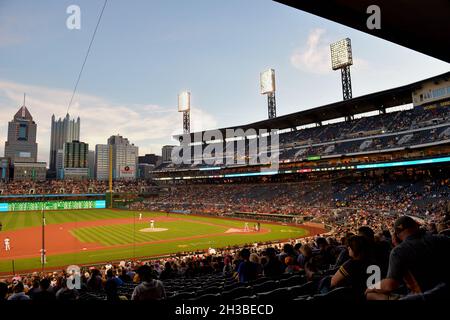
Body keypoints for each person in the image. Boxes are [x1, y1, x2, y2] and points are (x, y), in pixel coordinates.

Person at [366, 216, 450, 300]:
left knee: (370, 295)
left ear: (396, 235)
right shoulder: (441, 238)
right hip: (444, 291)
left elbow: (390, 285)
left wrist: (372, 287)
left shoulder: (398, 252)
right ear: (416, 226)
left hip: (422, 297)